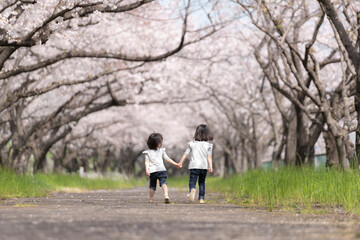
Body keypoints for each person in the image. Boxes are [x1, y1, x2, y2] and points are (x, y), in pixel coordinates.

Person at [178, 124, 213, 204]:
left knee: (192, 181)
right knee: (202, 182)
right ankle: (201, 198)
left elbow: (186, 153)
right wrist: (211, 167)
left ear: (196, 133)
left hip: (194, 166)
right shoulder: (208, 145)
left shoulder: (192, 143)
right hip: (204, 166)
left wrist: (180, 163)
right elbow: (209, 157)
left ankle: (192, 190)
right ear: (207, 134)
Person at [143, 132, 180, 204]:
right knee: (164, 182)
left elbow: (146, 162)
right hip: (161, 170)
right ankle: (166, 195)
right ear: (158, 143)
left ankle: (151, 199)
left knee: (152, 185)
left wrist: (147, 169)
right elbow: (167, 159)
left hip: (152, 171)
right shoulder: (161, 151)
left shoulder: (147, 153)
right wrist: (176, 164)